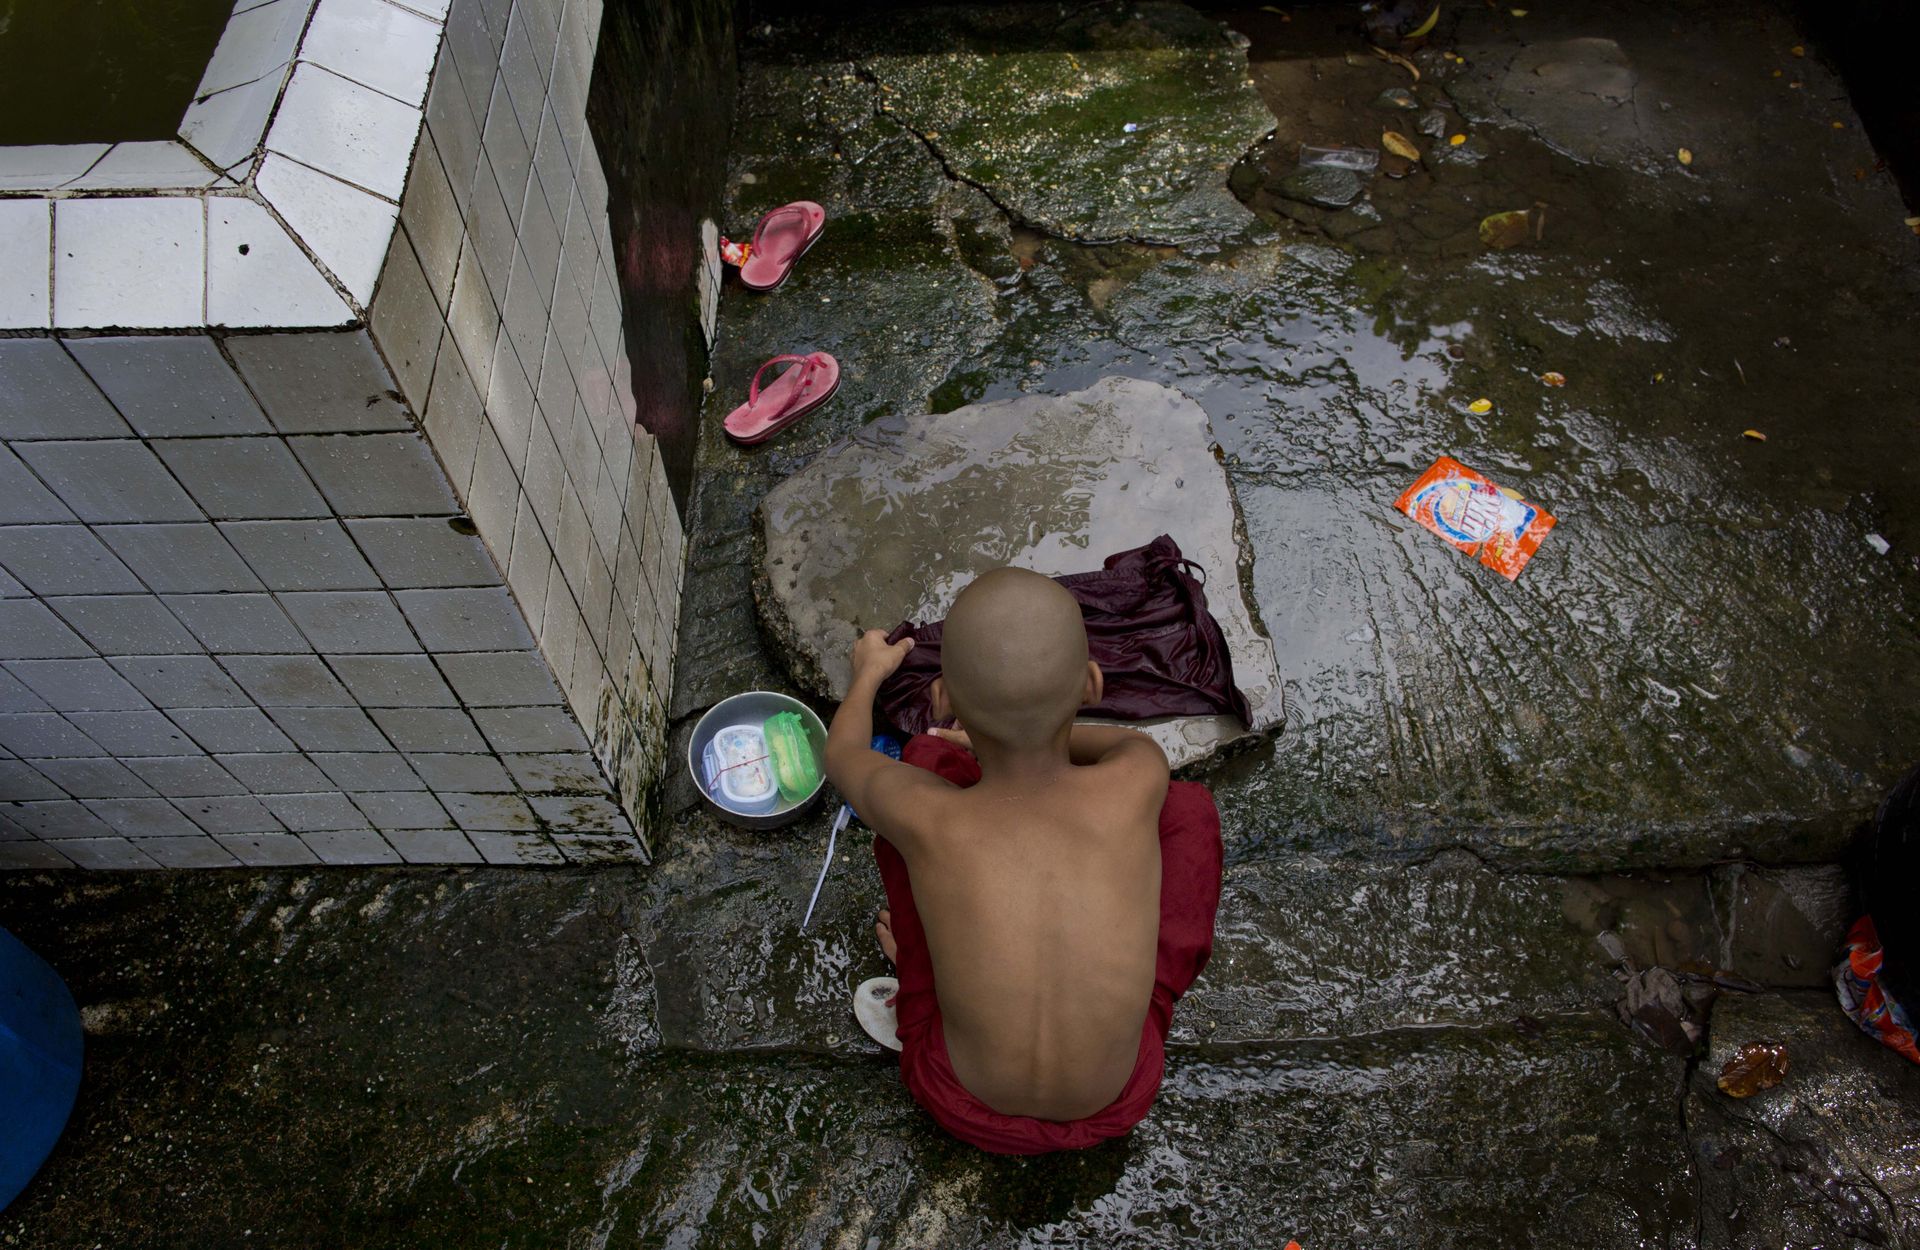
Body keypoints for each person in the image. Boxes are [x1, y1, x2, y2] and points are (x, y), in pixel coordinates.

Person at [824, 567, 1223, 1154]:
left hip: (960, 1099)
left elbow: (843, 755)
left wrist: (869, 674)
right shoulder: (1137, 775)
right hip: (1120, 1099)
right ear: (1091, 685)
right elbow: (1130, 744)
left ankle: (920, 967)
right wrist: (1036, 724)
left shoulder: (928, 817)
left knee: (923, 769)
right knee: (1189, 810)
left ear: (943, 699)